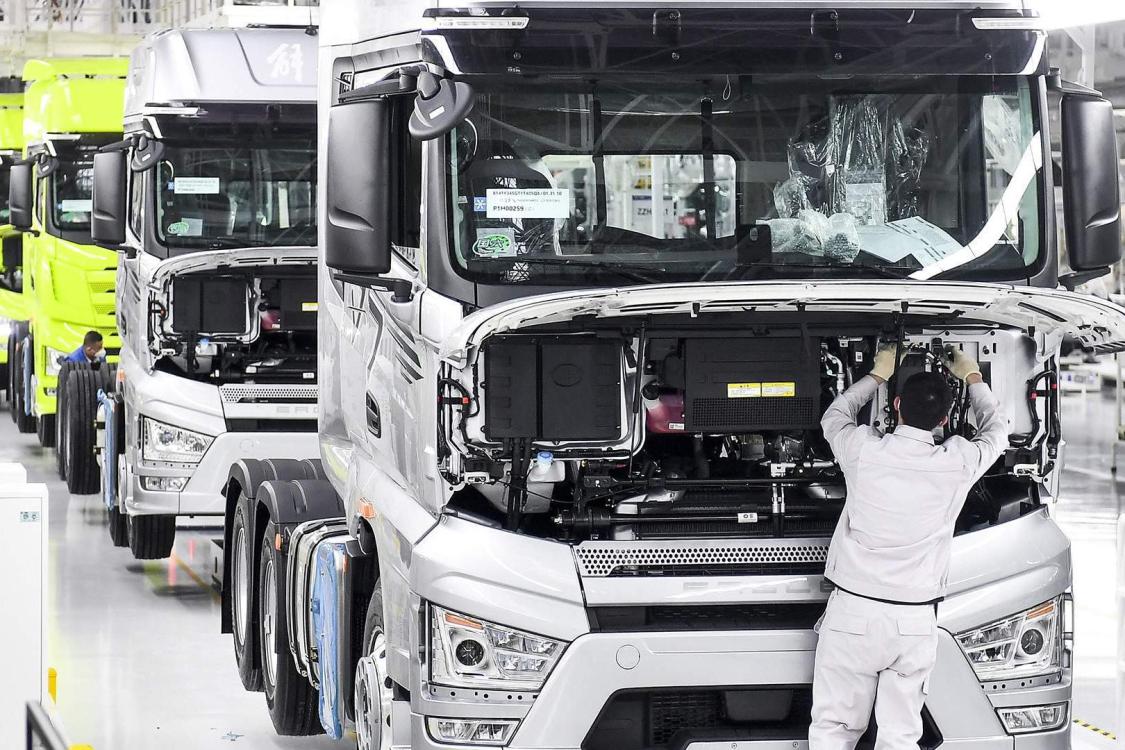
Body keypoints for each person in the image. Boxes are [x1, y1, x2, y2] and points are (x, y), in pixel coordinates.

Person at [809, 344, 1008, 750]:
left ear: (896, 405)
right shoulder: (958, 462)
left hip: (853, 612)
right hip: (914, 620)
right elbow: (997, 431)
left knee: (834, 730)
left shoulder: (864, 450)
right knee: (900, 736)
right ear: (945, 419)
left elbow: (834, 416)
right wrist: (972, 376)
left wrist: (877, 373)